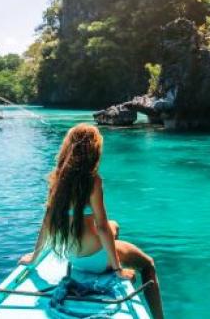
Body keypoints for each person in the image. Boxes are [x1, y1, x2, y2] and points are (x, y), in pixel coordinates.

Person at [18, 124, 164, 319]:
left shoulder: (56, 179)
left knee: (115, 225)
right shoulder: (93, 181)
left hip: (72, 257)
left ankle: (110, 263)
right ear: (93, 151)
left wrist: (34, 256)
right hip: (95, 258)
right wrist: (118, 269)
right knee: (148, 264)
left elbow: (47, 222)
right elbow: (102, 228)